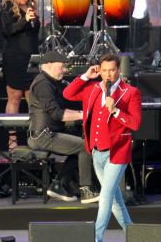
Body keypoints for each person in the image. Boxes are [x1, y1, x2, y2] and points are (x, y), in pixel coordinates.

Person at [63, 54, 142, 242]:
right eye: (104, 70)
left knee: (105, 197)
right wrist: (85, 76)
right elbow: (67, 94)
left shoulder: (130, 92)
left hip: (117, 152)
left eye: (112, 70)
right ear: (99, 70)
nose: (108, 74)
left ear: (118, 70)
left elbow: (135, 124)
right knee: (115, 202)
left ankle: (95, 238)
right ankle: (135, 236)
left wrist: (115, 111)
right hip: (97, 151)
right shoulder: (92, 89)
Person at [28, 51, 99, 203]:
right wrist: (84, 115)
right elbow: (57, 114)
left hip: (53, 132)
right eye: (62, 66)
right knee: (85, 147)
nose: (65, 70)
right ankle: (86, 189)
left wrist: (86, 77)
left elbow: (72, 94)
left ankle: (59, 185)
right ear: (48, 65)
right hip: (43, 136)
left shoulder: (54, 82)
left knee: (85, 139)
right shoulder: (42, 84)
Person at [0, 0, 40, 152]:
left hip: (31, 58)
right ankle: (12, 140)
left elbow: (34, 32)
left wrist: (32, 19)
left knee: (33, 99)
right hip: (14, 58)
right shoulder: (7, 7)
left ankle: (35, 138)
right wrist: (25, 20)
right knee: (14, 98)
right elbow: (8, 31)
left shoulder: (32, 6)